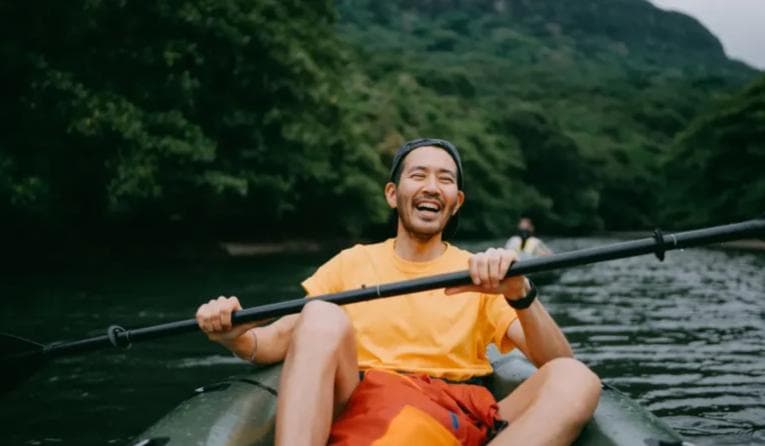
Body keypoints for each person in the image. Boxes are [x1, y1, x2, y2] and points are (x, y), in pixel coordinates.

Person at [196, 138, 600, 446]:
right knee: (321, 314)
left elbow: (555, 362)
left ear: (455, 203)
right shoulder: (350, 263)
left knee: (577, 379)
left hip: (456, 410)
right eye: (418, 175)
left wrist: (520, 291)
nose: (431, 187)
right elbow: (279, 338)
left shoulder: (483, 273)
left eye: (444, 180)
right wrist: (236, 335)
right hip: (365, 401)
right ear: (393, 194)